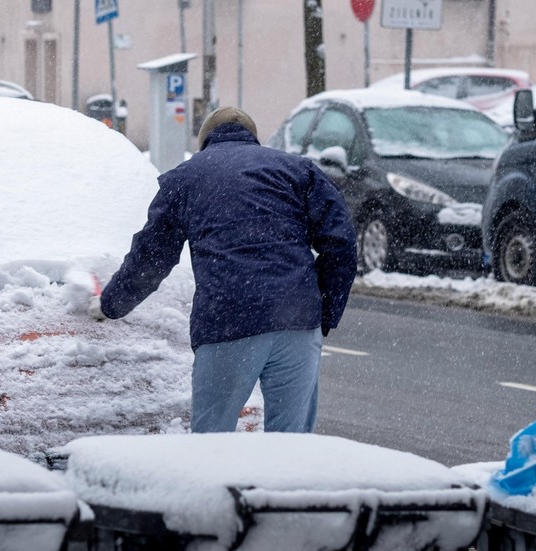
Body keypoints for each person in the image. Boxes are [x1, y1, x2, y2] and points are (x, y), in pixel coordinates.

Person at [90, 106, 357, 433]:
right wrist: (322, 310)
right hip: (297, 324)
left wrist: (111, 304)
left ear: (205, 142)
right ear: (253, 139)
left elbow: (152, 257)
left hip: (228, 321)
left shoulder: (184, 179)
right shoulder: (297, 170)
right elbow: (341, 242)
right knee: (291, 448)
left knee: (211, 443)